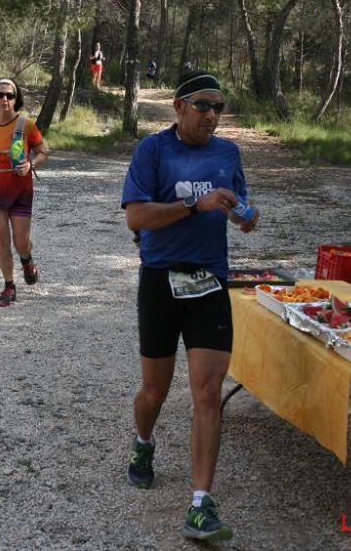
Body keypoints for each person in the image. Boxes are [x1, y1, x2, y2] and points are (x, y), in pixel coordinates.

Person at [120, 71, 259, 542]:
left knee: (206, 390)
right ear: (178, 107)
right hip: (161, 278)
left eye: (219, 107)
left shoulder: (227, 153)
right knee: (154, 392)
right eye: (202, 105)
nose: (212, 115)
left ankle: (201, 503)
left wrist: (244, 213)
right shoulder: (153, 150)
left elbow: (244, 210)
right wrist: (194, 206)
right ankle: (143, 443)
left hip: (209, 281)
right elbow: (136, 217)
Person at [0, 78, 50, 307]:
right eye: (0, 94)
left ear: (16, 99)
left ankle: (26, 259)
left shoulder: (25, 125)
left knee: (21, 242)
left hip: (21, 190)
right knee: (1, 239)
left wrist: (32, 164)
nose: (5, 99)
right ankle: (9, 286)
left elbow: (43, 151)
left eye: (10, 95)